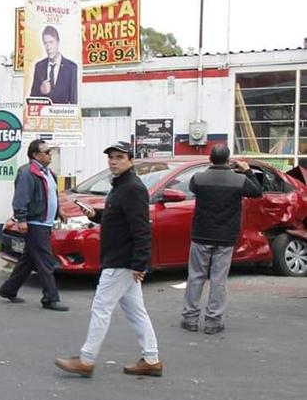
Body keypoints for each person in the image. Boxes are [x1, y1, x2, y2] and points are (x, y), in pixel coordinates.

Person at [55, 141, 162, 378]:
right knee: (136, 311)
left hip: (121, 261)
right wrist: (97, 215)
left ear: (130, 160)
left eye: (119, 157)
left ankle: (86, 359)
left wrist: (139, 263)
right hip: (120, 258)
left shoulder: (132, 188)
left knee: (101, 308)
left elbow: (141, 228)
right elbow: (119, 219)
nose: (113, 161)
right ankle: (151, 359)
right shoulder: (120, 186)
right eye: (111, 157)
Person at [181, 145, 262, 334]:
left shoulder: (198, 178)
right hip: (225, 237)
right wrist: (248, 171)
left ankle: (190, 319)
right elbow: (257, 192)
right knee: (219, 279)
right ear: (228, 160)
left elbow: (193, 188)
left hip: (201, 234)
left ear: (210, 159)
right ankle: (213, 321)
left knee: (195, 277)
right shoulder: (239, 180)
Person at [0, 139, 68, 311]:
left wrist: (59, 211)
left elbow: (51, 194)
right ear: (36, 155)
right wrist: (21, 219)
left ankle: (8, 290)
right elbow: (21, 198)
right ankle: (50, 298)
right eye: (47, 152)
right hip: (36, 223)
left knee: (28, 261)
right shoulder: (28, 172)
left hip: (45, 223)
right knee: (45, 261)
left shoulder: (48, 173)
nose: (50, 155)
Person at [28, 25, 79, 105]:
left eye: (51, 42)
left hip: (63, 116)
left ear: (58, 42)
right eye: (45, 43)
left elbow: (74, 101)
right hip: (44, 116)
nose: (48, 47)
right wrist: (41, 91)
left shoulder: (71, 68)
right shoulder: (39, 66)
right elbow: (32, 100)